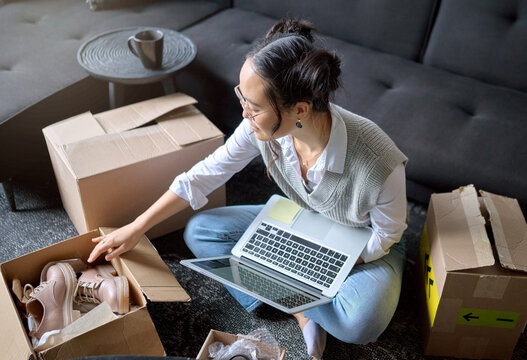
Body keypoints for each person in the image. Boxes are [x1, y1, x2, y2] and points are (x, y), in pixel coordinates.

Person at [88, 18, 408, 360]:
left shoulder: (379, 161)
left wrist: (325, 262)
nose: (244, 113)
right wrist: (137, 228)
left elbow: (386, 235)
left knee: (361, 323)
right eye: (243, 97)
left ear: (299, 110)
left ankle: (293, 296)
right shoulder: (263, 129)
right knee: (202, 232)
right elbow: (208, 173)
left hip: (364, 241)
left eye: (253, 108)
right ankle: (304, 310)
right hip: (304, 219)